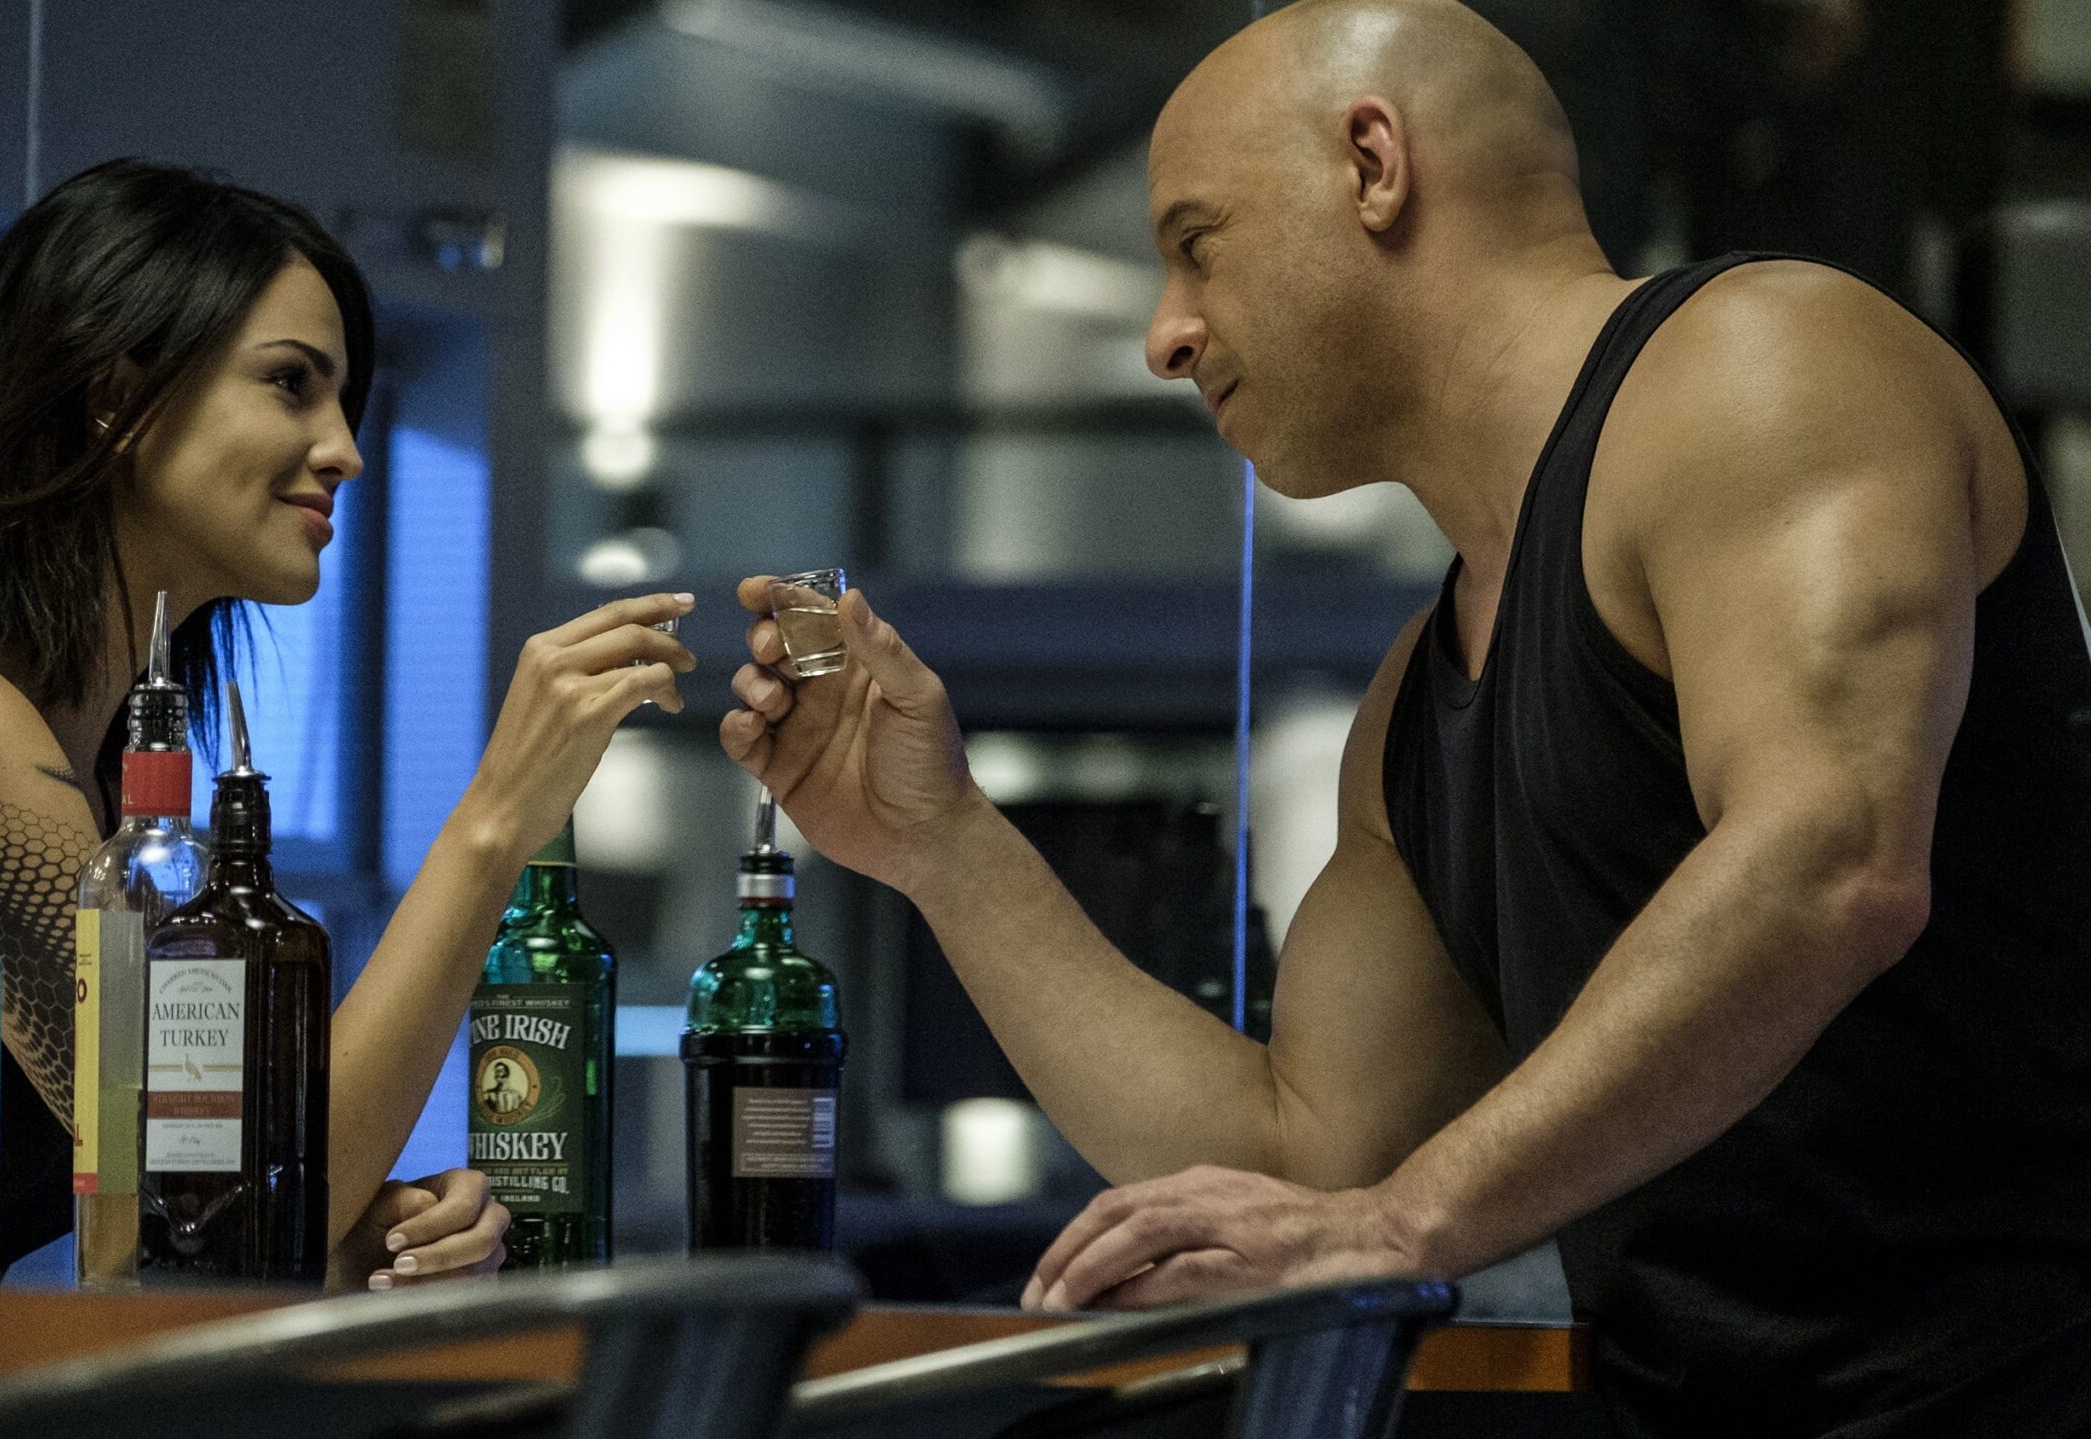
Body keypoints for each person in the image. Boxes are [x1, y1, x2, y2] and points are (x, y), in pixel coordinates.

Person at [718, 1, 2091, 1431]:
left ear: (1373, 164)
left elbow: (1833, 861)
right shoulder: (1415, 706)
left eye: (1198, 244)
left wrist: (1405, 1219)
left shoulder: (1765, 363)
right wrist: (943, 842)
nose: (1164, 336)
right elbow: (1303, 1164)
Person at [0, 159, 694, 1290]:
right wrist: (495, 822)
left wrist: (367, 1238)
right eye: (290, 382)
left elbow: (197, 1226)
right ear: (115, 397)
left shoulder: (98, 779)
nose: (343, 447)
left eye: (342, 398)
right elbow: (227, 1199)